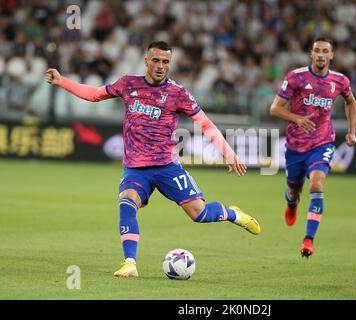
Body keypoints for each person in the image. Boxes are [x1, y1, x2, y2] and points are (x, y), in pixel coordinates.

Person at [45, 41, 261, 277]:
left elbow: (204, 123)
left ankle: (233, 214)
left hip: (167, 166)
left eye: (166, 61)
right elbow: (95, 94)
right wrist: (61, 81)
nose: (160, 66)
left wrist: (227, 152)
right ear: (146, 61)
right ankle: (130, 263)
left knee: (198, 214)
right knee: (127, 201)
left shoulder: (178, 93)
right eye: (156, 60)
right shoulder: (128, 84)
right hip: (136, 169)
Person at [269, 38, 356, 258]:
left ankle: (308, 240)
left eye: (325, 51)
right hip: (296, 146)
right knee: (293, 189)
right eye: (317, 50)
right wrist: (297, 119)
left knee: (317, 185)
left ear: (331, 55)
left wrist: (351, 131)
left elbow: (350, 101)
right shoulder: (296, 77)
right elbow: (274, 109)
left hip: (323, 142)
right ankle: (291, 203)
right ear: (311, 53)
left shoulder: (340, 81)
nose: (320, 54)